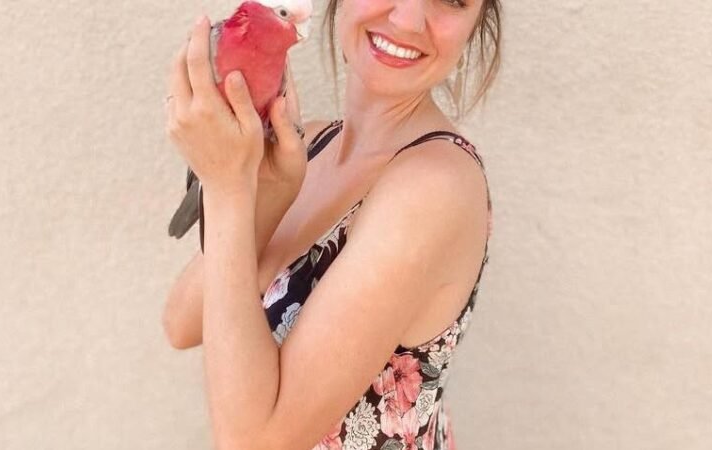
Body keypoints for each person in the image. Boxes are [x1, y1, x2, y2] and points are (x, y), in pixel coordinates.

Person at [163, 0, 501, 448]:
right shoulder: (313, 144)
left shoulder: (430, 189)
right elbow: (182, 323)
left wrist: (227, 188)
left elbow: (252, 442)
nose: (406, 20)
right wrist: (266, 194)